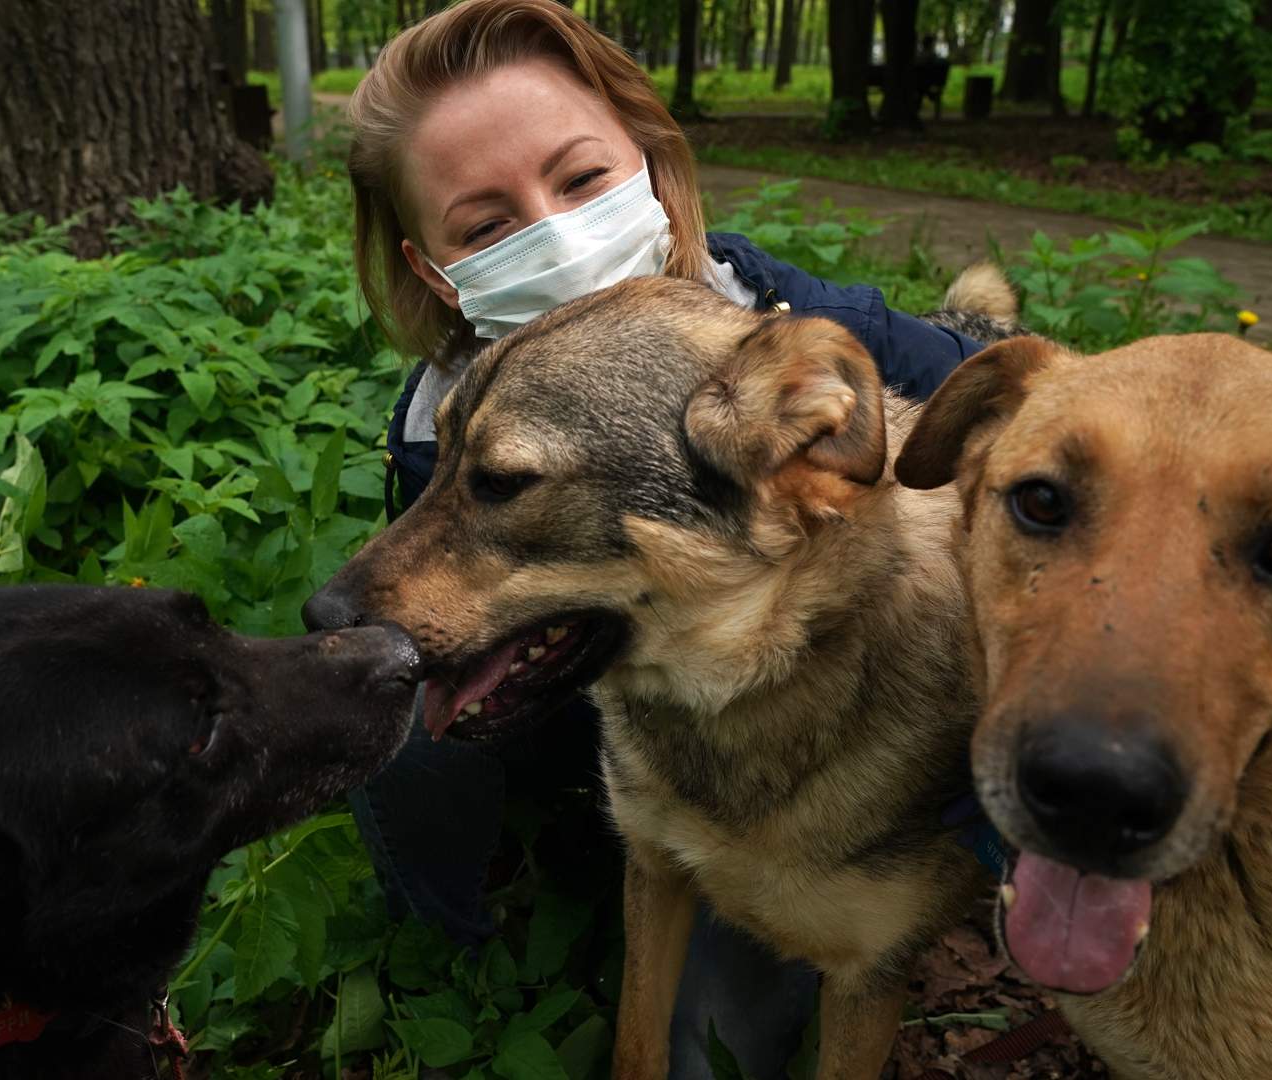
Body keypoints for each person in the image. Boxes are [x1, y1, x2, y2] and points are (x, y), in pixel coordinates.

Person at [340, 0, 988, 1074]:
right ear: (433, 268)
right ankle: (462, 927)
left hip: (792, 726)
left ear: (654, 169)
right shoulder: (446, 408)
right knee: (392, 701)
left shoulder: (810, 342)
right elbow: (433, 568)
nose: (553, 234)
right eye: (486, 224)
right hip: (614, 694)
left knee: (713, 1055)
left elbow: (998, 398)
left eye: (582, 179)